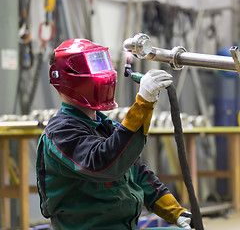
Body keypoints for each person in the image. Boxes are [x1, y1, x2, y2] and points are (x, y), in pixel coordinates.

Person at [36, 38, 192, 230]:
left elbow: (138, 173)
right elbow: (105, 163)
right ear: (67, 77)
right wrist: (143, 103)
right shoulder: (60, 132)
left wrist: (175, 212)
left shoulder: (105, 126)